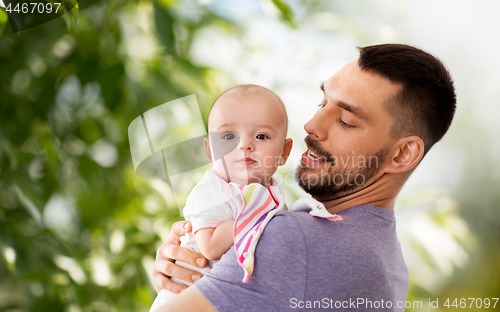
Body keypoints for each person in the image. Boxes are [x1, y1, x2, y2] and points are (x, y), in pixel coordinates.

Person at [152, 44, 457, 311]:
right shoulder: (390, 265)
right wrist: (199, 273)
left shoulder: (291, 240)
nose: (311, 125)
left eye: (346, 120)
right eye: (322, 103)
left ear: (403, 154)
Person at [150, 85, 294, 311]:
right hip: (184, 294)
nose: (244, 144)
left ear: (284, 152)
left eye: (261, 136)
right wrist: (254, 224)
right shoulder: (211, 191)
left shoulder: (274, 191)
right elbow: (209, 247)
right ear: (209, 152)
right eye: (228, 136)